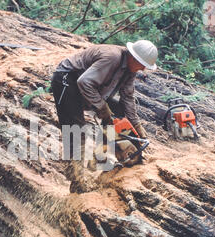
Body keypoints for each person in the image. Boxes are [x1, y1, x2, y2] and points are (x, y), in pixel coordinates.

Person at [51, 40, 158, 193]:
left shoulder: (130, 70)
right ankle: (76, 180)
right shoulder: (112, 57)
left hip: (91, 87)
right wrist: (101, 107)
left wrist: (136, 126)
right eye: (141, 64)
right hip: (67, 80)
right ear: (134, 58)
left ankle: (119, 155)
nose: (142, 69)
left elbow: (127, 98)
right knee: (76, 130)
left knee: (119, 113)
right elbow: (84, 81)